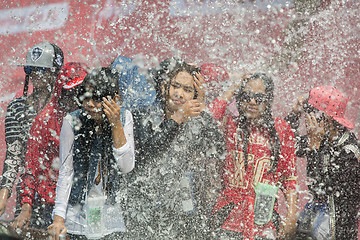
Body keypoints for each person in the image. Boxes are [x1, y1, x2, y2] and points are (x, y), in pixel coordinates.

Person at [124, 58, 225, 239]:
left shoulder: (194, 120)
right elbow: (147, 151)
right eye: (175, 86)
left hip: (176, 212)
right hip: (141, 209)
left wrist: (202, 108)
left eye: (187, 90)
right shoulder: (144, 115)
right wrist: (177, 118)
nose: (179, 94)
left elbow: (217, 148)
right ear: (165, 87)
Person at [48, 67, 135, 240]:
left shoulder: (125, 118)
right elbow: (66, 171)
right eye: (85, 96)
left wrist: (116, 123)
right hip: (77, 221)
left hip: (111, 221)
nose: (89, 104)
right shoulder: (72, 121)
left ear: (114, 99)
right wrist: (59, 218)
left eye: (96, 98)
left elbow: (126, 167)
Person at [209, 72, 298, 240]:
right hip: (229, 219)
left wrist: (292, 215)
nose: (251, 102)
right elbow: (210, 115)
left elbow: (289, 177)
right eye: (246, 96)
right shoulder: (231, 124)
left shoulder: (281, 129)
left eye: (258, 98)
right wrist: (234, 88)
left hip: (264, 220)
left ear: (269, 100)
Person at [10, 63, 87, 230]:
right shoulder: (44, 122)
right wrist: (26, 208)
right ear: (59, 93)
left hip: (85, 204)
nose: (74, 101)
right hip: (50, 207)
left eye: (80, 94)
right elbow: (31, 169)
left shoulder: (95, 119)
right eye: (68, 94)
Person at [286, 86, 360, 239]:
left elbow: (320, 187)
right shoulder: (323, 139)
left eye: (310, 113)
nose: (307, 119)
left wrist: (314, 148)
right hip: (315, 224)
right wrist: (294, 115)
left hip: (337, 232)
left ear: (325, 118)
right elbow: (286, 144)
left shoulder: (349, 153)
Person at [0, 42, 64, 217]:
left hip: (62, 195)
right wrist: (4, 194)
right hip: (28, 195)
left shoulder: (65, 108)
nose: (35, 74)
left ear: (55, 72)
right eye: (30, 69)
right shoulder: (17, 108)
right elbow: (13, 155)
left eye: (41, 69)